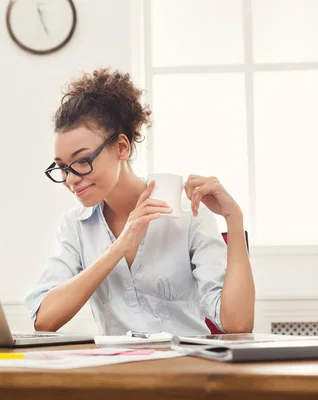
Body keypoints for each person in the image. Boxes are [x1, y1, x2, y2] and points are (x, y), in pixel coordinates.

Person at [25, 68, 255, 336]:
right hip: (119, 373)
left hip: (185, 369)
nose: (71, 179)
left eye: (82, 161)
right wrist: (120, 247)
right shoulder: (74, 227)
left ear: (122, 147)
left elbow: (237, 324)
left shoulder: (187, 213)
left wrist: (233, 218)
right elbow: (44, 319)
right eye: (63, 167)